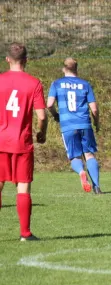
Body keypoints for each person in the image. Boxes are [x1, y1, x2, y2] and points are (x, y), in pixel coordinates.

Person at [0, 43, 47, 241]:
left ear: (7, 59)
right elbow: (42, 116)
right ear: (27, 60)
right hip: (22, 141)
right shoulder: (34, 83)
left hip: (1, 141)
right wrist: (41, 133)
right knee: (23, 186)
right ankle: (25, 234)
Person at [46, 57, 101, 194]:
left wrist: (55, 115)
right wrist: (96, 123)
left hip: (68, 125)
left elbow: (49, 104)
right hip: (84, 124)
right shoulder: (85, 84)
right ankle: (97, 187)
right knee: (89, 155)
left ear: (64, 68)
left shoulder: (57, 83)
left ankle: (81, 172)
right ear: (77, 69)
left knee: (74, 156)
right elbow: (94, 109)